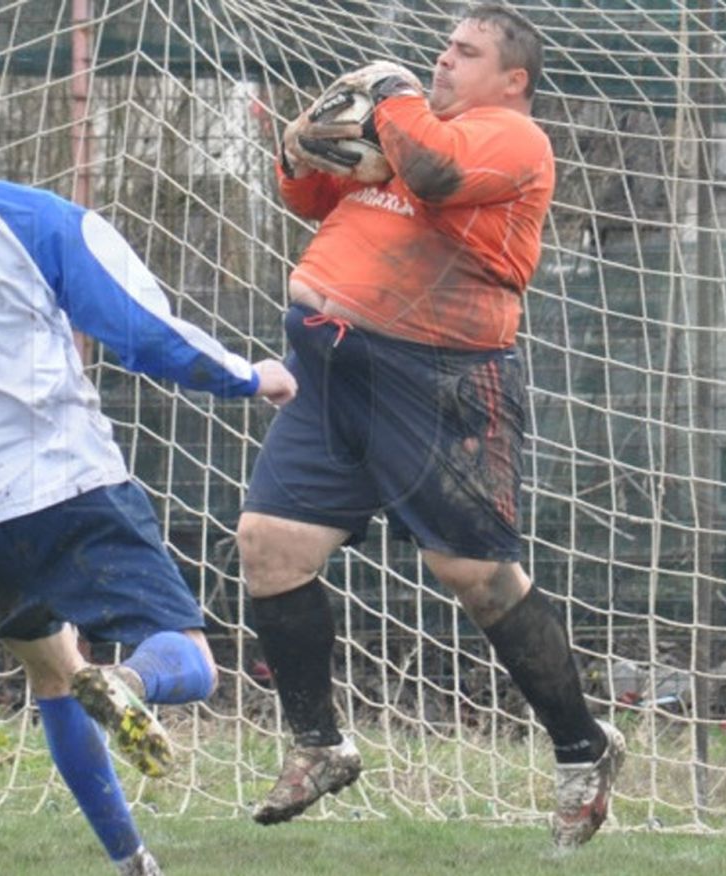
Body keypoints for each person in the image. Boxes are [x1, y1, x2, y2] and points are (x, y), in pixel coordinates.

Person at [238, 3, 624, 850]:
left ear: (511, 79)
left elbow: (440, 175)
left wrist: (390, 91)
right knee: (268, 544)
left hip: (440, 381)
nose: (443, 61)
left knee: (477, 578)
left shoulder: (509, 137)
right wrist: (300, 142)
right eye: (442, 48)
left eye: (465, 51)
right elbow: (306, 196)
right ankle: (320, 744)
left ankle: (583, 749)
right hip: (333, 372)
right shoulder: (406, 133)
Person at [0, 35, 297, 876]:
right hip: (63, 485)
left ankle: (131, 861)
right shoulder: (39, 219)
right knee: (186, 657)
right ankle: (134, 686)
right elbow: (143, 333)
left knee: (50, 670)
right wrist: (253, 376)